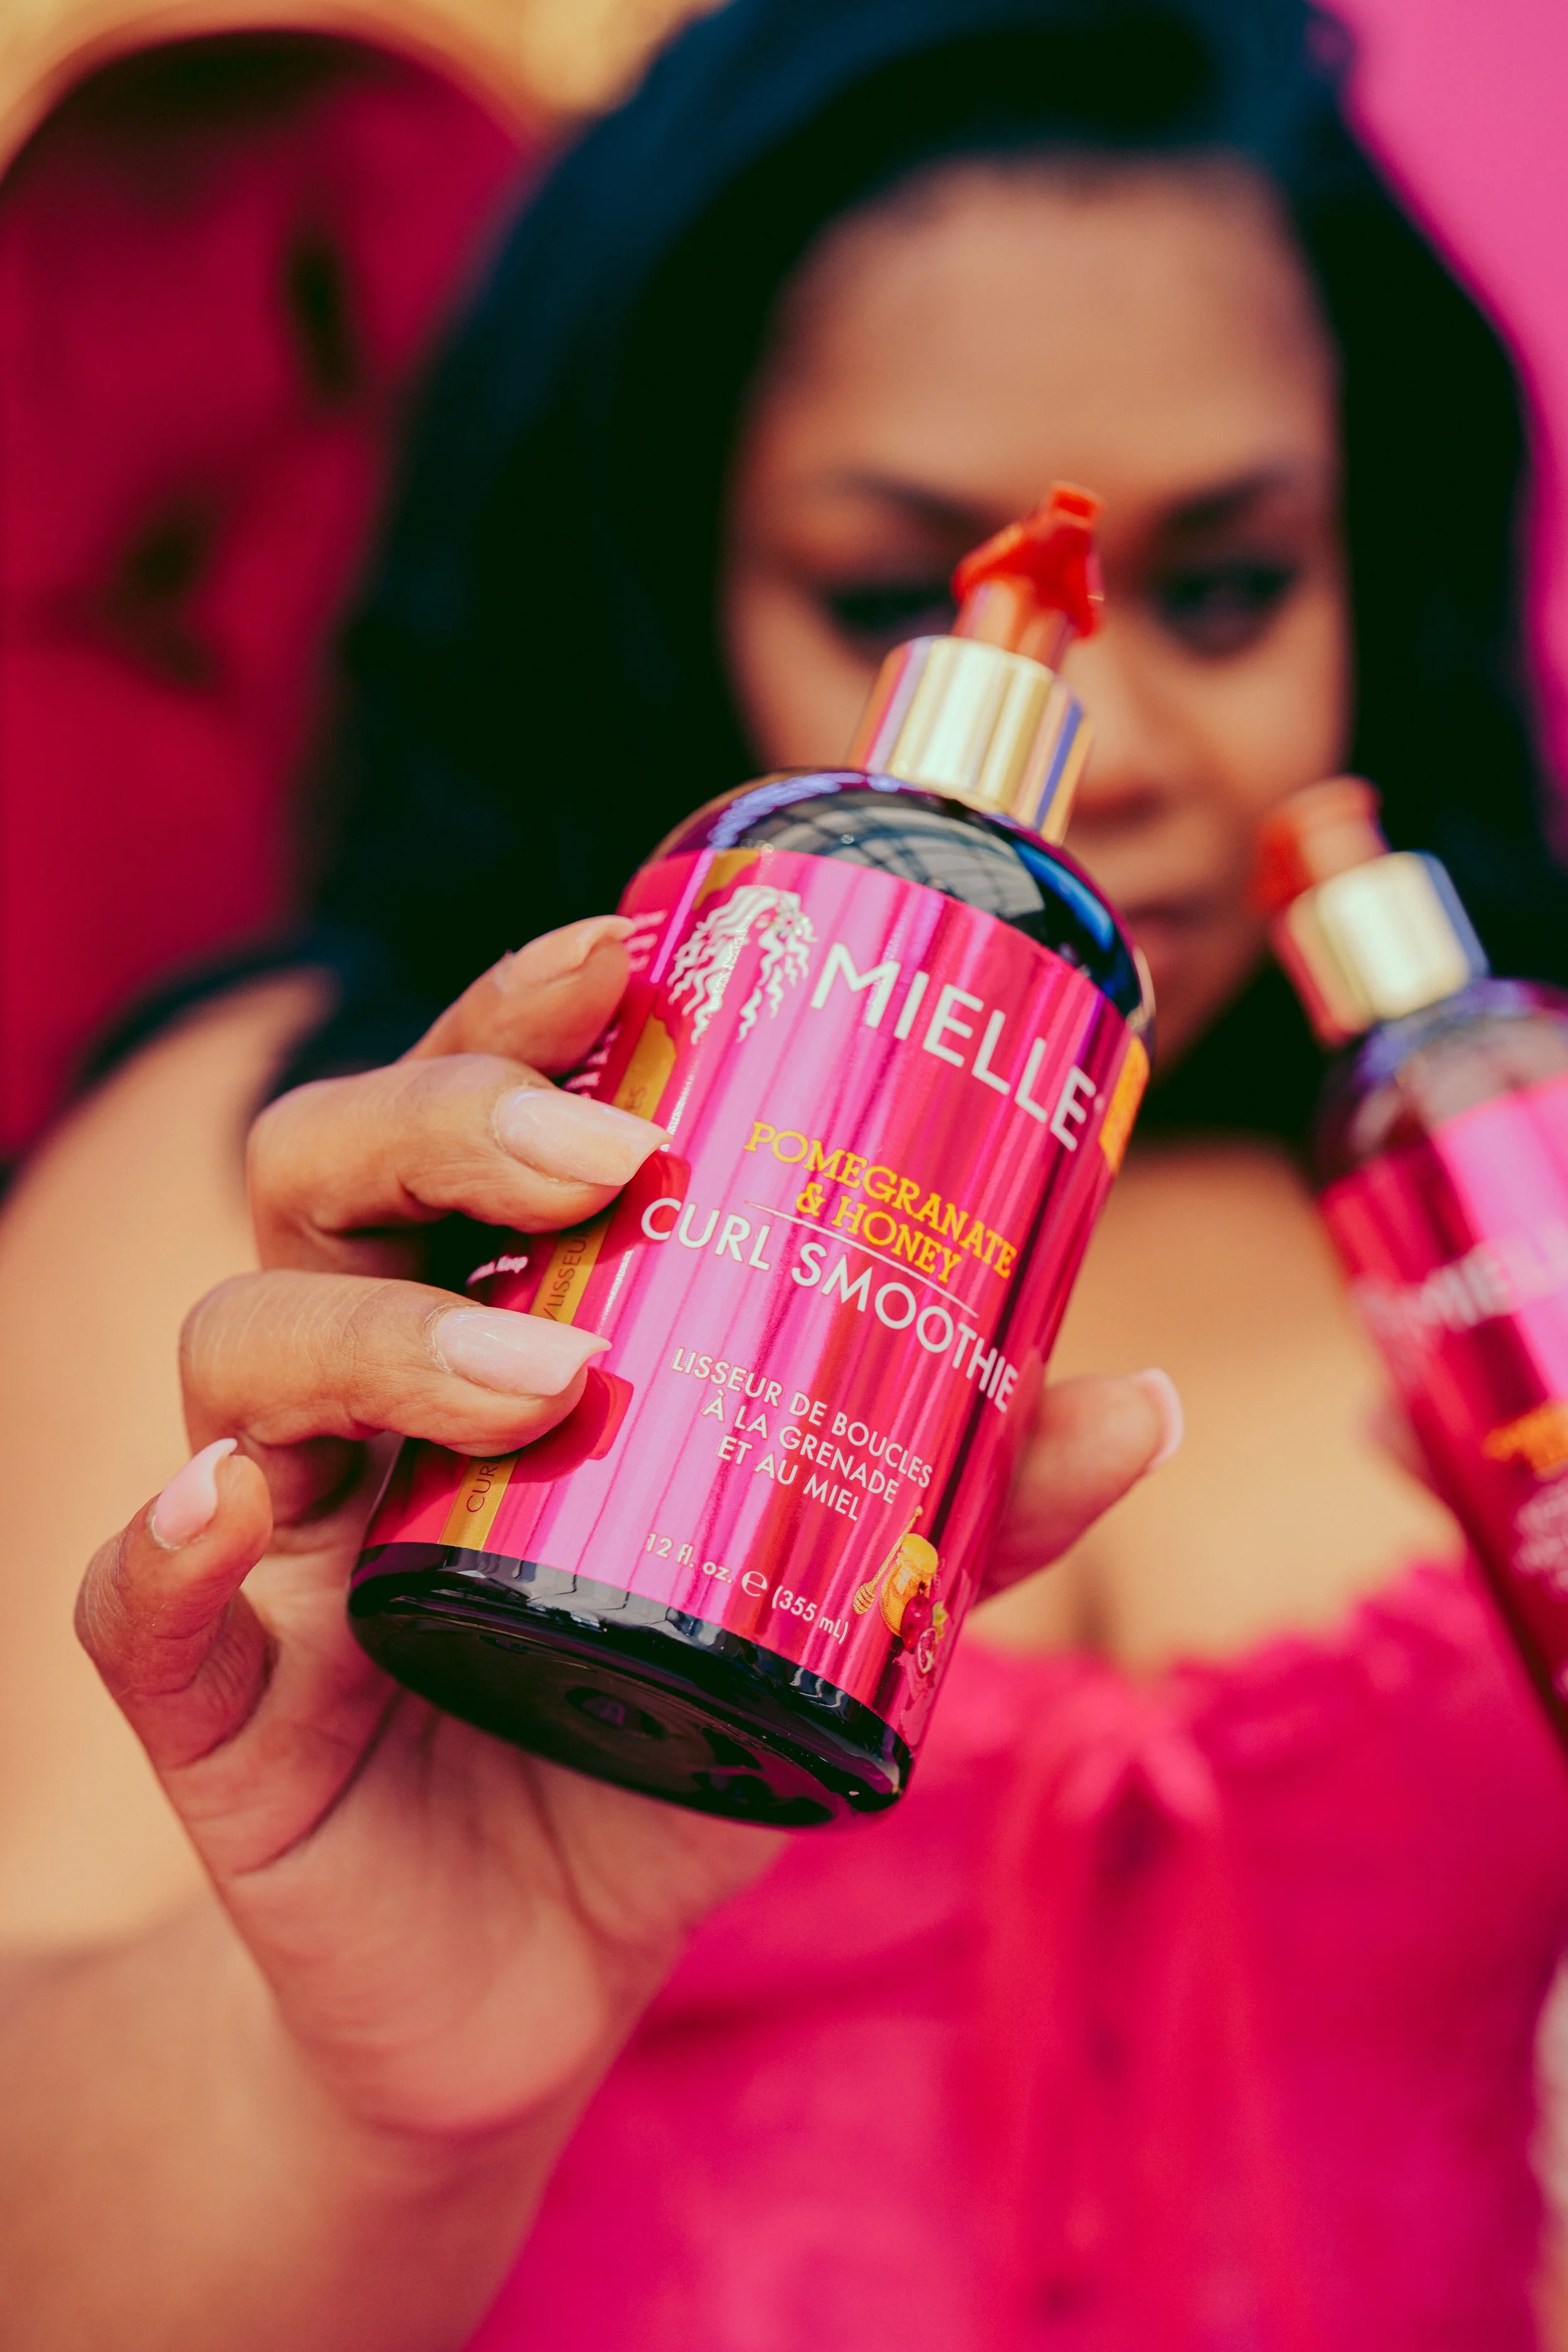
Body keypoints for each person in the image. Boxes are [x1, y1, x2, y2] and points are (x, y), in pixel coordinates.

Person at [4, 0, 1568, 2343]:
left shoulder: (1504, 1188)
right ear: (655, 576)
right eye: (877, 597)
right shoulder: (292, 1167)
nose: (1110, 749)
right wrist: (350, 2074)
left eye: (1232, 590)